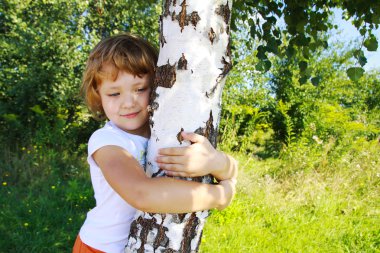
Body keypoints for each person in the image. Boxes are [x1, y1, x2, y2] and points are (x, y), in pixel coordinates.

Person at [72, 33, 238, 253]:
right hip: (100, 248)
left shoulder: (168, 131)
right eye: (114, 93)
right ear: (98, 96)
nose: (128, 103)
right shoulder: (107, 142)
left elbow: (231, 169)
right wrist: (219, 196)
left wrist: (216, 162)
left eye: (140, 89)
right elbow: (142, 194)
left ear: (158, 85)